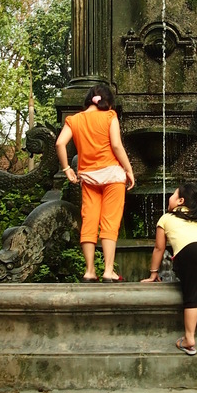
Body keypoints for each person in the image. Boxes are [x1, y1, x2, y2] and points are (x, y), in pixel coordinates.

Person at [56, 83, 135, 283]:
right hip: (113, 177)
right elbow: (116, 145)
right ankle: (109, 271)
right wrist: (129, 170)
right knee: (110, 222)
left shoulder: (74, 120)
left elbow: (59, 143)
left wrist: (67, 168)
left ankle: (90, 271)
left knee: (89, 221)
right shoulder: (110, 116)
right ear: (108, 102)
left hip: (89, 177)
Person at [141, 183, 197, 356]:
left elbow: (159, 248)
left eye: (173, 194)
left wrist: (154, 273)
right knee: (184, 268)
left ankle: (189, 339)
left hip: (188, 251)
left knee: (191, 297)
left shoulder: (166, 218)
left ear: (180, 201)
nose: (170, 197)